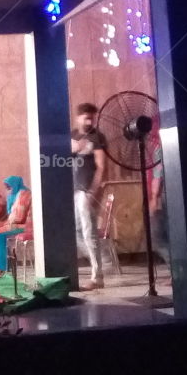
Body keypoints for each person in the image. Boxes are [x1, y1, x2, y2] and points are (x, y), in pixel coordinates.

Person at [72, 102, 107, 291]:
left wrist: (94, 190)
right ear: (78, 117)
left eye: (92, 118)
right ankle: (101, 261)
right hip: (74, 190)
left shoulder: (97, 137)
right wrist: (75, 148)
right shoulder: (73, 136)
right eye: (86, 117)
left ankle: (97, 276)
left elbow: (101, 166)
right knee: (76, 232)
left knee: (88, 232)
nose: (89, 121)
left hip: (87, 190)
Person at [0, 176, 32, 277]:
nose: (8, 190)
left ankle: (1, 268)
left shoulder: (24, 194)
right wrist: (4, 223)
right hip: (16, 224)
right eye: (7, 188)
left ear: (15, 185)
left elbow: (18, 217)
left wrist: (5, 224)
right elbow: (12, 215)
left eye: (9, 187)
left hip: (25, 225)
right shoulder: (14, 195)